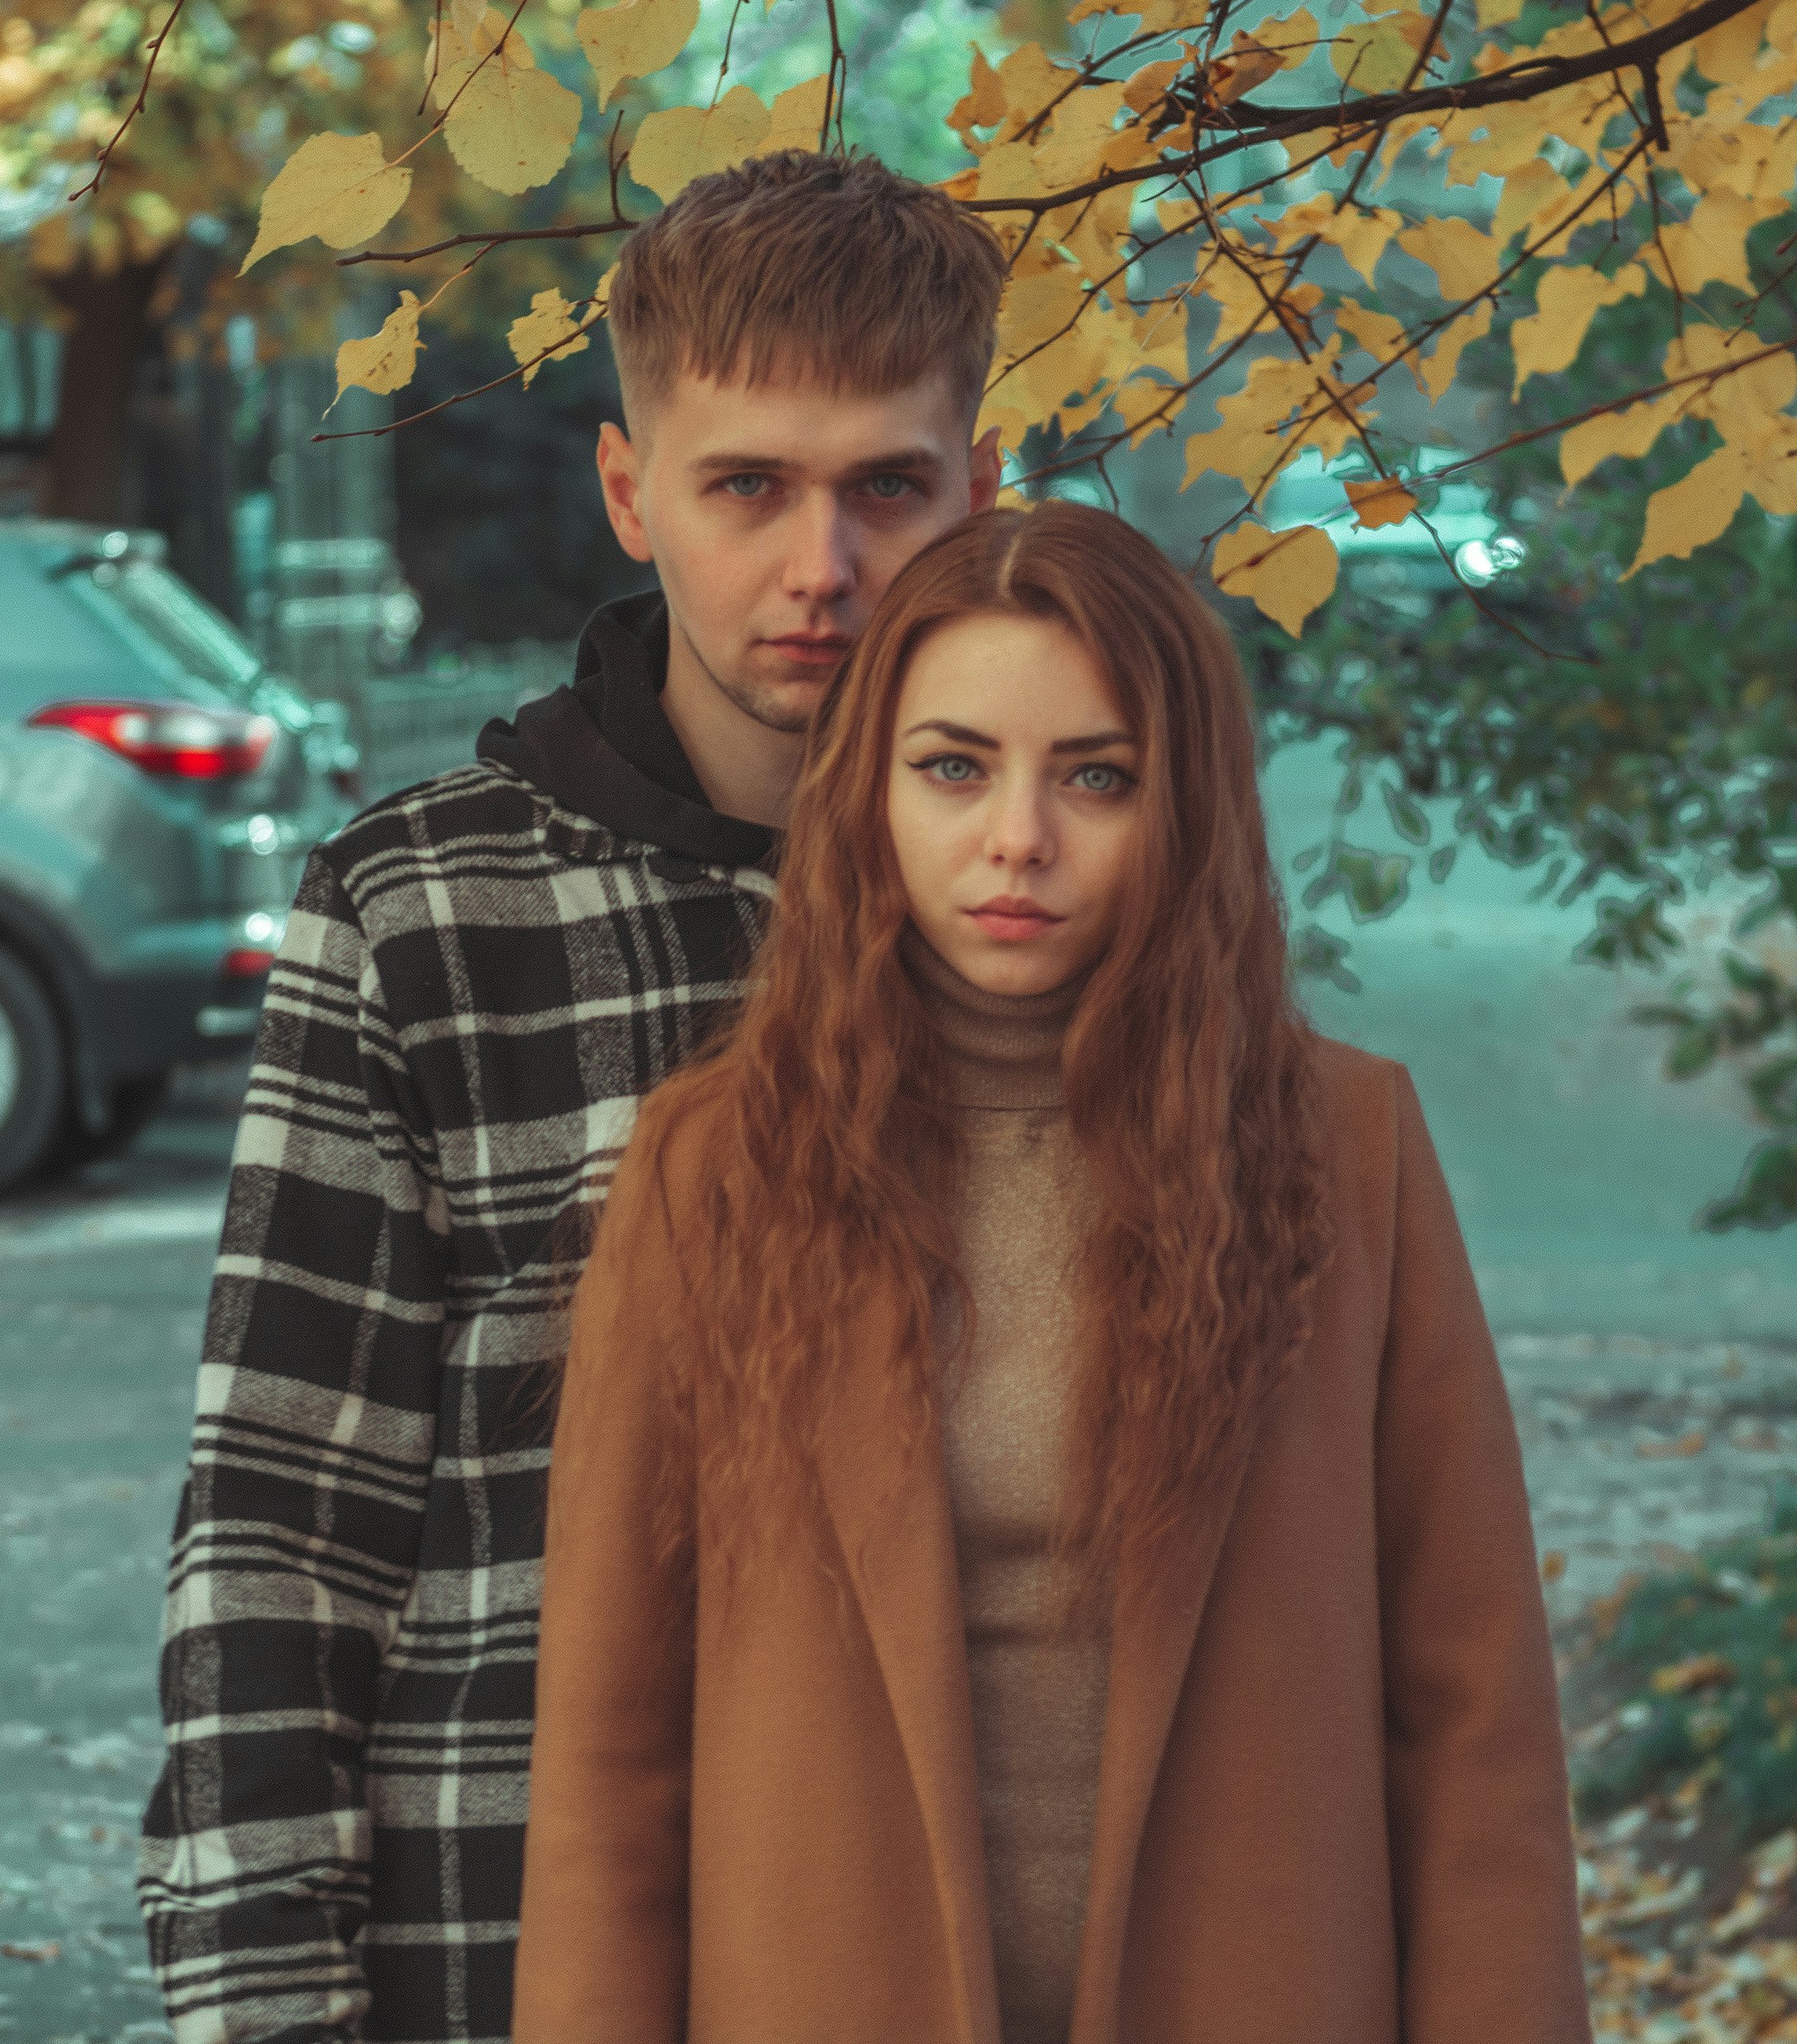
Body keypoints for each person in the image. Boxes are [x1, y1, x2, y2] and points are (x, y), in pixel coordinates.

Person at [513, 502, 1593, 2044]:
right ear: (867, 790)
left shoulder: (1346, 1153)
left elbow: (1474, 1732)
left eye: (1096, 776)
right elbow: (611, 1776)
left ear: (1185, 805)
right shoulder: (715, 1172)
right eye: (955, 767)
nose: (1018, 836)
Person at [137, 150, 1005, 2044]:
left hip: (965, 1946)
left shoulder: (1063, 914)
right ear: (630, 489)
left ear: (980, 488)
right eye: (747, 485)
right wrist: (266, 2004)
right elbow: (282, 1533)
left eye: (885, 486)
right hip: (504, 1942)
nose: (822, 566)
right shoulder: (421, 914)